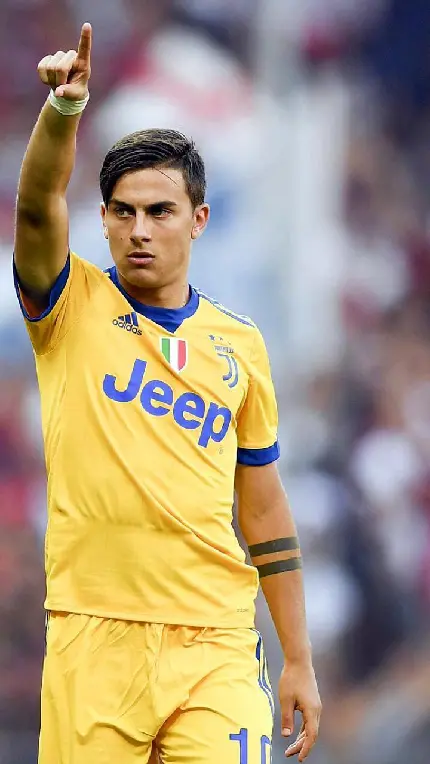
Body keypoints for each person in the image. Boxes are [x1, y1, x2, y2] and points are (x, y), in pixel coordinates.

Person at [13, 22, 321, 764]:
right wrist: (62, 112)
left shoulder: (240, 345)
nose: (139, 230)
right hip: (94, 633)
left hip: (216, 640)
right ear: (102, 220)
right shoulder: (68, 306)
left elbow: (263, 507)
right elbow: (36, 207)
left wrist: (298, 656)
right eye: (123, 211)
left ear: (198, 220)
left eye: (160, 211)